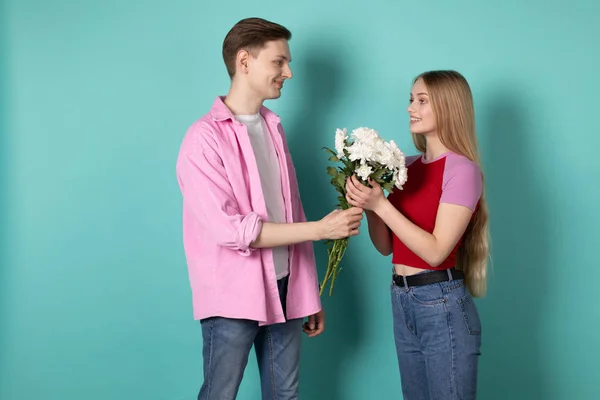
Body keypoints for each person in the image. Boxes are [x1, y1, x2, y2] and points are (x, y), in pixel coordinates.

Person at [175, 17, 364, 400]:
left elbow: (289, 210)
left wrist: (306, 291)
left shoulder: (273, 128)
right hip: (231, 297)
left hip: (286, 288)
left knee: (285, 395)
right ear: (245, 62)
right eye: (279, 62)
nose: (289, 73)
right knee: (219, 394)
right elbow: (233, 230)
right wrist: (321, 229)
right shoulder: (202, 139)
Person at [345, 70, 489, 400]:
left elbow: (436, 252)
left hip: (441, 303)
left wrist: (380, 205)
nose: (411, 107)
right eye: (411, 99)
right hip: (401, 298)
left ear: (448, 107)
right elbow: (385, 247)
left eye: (422, 101)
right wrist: (368, 204)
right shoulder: (403, 167)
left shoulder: (462, 170)